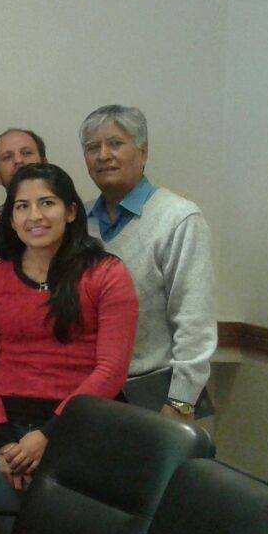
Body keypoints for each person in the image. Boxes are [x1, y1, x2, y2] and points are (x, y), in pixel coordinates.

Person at [0, 163, 138, 534]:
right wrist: (5, 443)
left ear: (71, 211)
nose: (35, 216)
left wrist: (48, 436)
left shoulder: (107, 274)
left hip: (84, 431)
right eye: (22, 206)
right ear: (11, 219)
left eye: (47, 203)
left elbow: (111, 370)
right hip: (7, 435)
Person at [79, 105, 216, 421]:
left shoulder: (178, 217)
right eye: (92, 147)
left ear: (143, 152)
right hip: (91, 394)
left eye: (115, 143)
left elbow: (194, 320)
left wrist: (181, 401)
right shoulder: (78, 222)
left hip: (157, 393)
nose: (103, 155)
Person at [0, 128, 47, 261]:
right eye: (7, 157)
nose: (18, 160)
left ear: (45, 164)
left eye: (27, 153)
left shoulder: (68, 215)